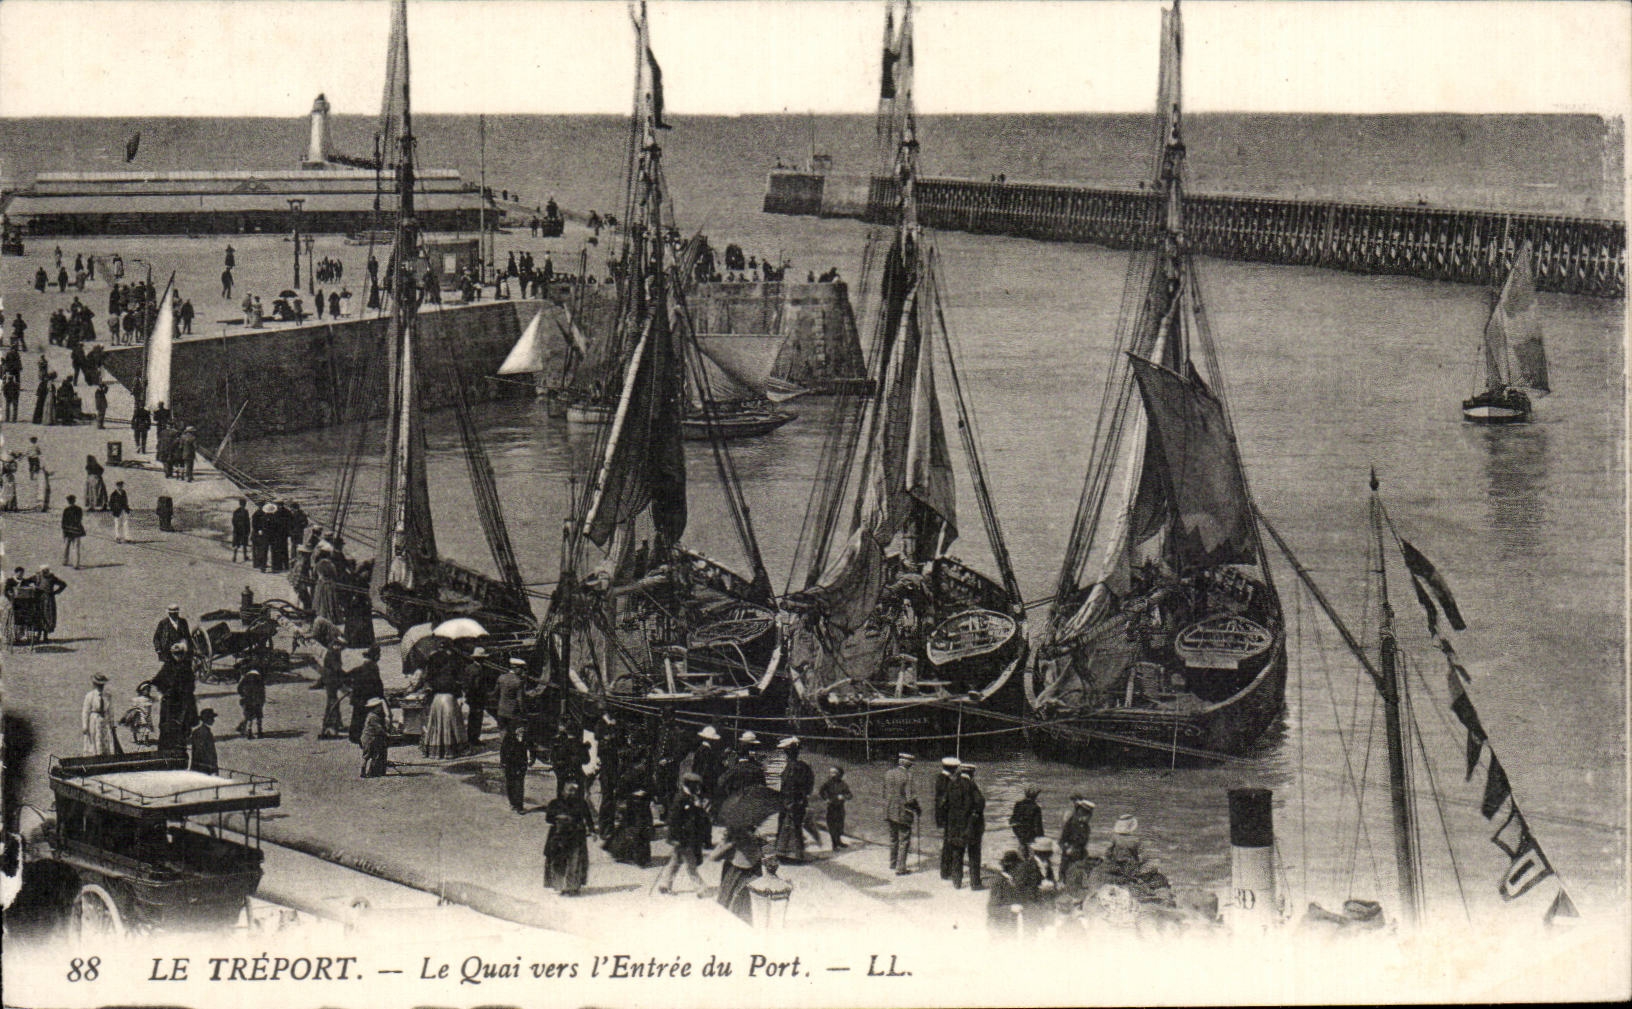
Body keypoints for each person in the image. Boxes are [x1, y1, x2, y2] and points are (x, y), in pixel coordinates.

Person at [657, 771, 711, 895]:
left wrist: (698, 807)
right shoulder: (680, 799)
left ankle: (665, 884)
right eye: (696, 786)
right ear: (689, 785)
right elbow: (673, 820)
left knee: (675, 862)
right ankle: (700, 888)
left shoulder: (690, 797)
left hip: (686, 837)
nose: (698, 789)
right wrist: (674, 837)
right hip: (682, 838)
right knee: (691, 864)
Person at [543, 780, 596, 896]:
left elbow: (588, 818)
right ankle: (559, 885)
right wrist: (559, 819)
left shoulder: (581, 803)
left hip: (576, 835)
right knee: (558, 860)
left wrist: (592, 831)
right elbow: (548, 818)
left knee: (574, 862)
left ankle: (573, 887)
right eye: (570, 790)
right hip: (558, 835)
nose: (573, 793)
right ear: (562, 791)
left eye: (575, 791)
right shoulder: (554, 803)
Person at [943, 763, 985, 889]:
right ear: (972, 773)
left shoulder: (951, 784)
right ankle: (975, 883)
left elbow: (944, 805)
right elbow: (980, 804)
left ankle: (957, 881)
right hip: (971, 827)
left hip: (955, 827)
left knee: (957, 854)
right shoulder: (972, 786)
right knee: (974, 855)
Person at [418, 648, 465, 757]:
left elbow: (428, 683)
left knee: (436, 725)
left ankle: (436, 751)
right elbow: (457, 684)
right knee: (451, 725)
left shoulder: (432, 673)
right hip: (449, 699)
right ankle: (452, 750)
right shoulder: (450, 669)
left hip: (437, 700)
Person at [774, 737, 814, 863]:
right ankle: (786, 854)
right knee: (788, 827)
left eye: (787, 752)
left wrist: (796, 801)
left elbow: (800, 786)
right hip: (788, 801)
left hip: (793, 801)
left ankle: (790, 856)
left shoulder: (796, 768)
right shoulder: (795, 766)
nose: (786, 755)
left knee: (791, 827)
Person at [712, 829, 764, 923]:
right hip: (748, 866)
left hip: (739, 867)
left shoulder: (735, 825)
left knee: (730, 900)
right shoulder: (755, 828)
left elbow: (715, 856)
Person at [154, 640, 196, 751]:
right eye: (175, 654)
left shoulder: (186, 669)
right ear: (172, 654)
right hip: (169, 703)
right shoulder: (168, 666)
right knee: (166, 727)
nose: (178, 656)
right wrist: (163, 690)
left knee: (182, 728)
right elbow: (158, 680)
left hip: (183, 702)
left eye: (180, 654)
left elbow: (190, 687)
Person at [883, 752, 920, 875]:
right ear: (908, 763)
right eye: (911, 763)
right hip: (903, 811)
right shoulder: (908, 776)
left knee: (893, 838)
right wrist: (917, 808)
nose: (912, 765)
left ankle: (893, 863)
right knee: (904, 839)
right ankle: (900, 868)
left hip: (889, 810)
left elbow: (885, 792)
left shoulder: (888, 773)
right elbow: (910, 798)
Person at [605, 789, 654, 868]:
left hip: (641, 799)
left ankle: (640, 858)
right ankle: (638, 858)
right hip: (632, 800)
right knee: (634, 828)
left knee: (639, 828)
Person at [347, 644, 385, 744]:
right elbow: (377, 682)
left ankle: (354, 735)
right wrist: (381, 695)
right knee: (362, 715)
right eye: (379, 655)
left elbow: (350, 674)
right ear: (376, 656)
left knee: (357, 715)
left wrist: (351, 685)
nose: (380, 657)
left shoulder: (365, 665)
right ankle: (359, 737)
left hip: (358, 694)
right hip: (364, 694)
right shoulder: (373, 666)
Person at [988, 851, 1028, 936]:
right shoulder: (998, 882)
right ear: (1011, 868)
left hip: (1011, 924)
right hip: (999, 928)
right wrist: (1010, 908)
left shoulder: (1013, 880)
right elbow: (992, 909)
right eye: (1019, 868)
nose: (1021, 871)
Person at [318, 635, 348, 739]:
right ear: (336, 645)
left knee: (334, 701)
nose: (341, 649)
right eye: (341, 646)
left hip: (331, 679)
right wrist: (346, 677)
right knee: (332, 701)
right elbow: (337, 669)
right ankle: (330, 725)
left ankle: (337, 723)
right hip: (331, 680)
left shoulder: (333, 652)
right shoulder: (332, 654)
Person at [1060, 795, 1097, 879]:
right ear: (1081, 814)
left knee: (1079, 874)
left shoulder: (1086, 827)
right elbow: (1062, 840)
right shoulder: (1071, 823)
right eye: (1088, 816)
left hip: (1080, 853)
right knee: (1065, 872)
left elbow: (1084, 841)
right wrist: (1067, 848)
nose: (1088, 819)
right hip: (1069, 854)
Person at [82, 673, 118, 755]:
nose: (100, 687)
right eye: (98, 685)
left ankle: (106, 754)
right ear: (95, 685)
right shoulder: (90, 696)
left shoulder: (107, 696)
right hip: (94, 719)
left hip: (105, 719)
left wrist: (112, 723)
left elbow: (110, 710)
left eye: (102, 685)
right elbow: (85, 711)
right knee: (95, 736)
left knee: (106, 738)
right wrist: (85, 725)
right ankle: (95, 754)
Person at [818, 766, 853, 849]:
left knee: (840, 825)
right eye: (831, 773)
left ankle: (839, 841)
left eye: (835, 773)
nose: (832, 775)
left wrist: (844, 796)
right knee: (832, 825)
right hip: (831, 807)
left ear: (839, 774)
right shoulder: (828, 783)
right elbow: (821, 791)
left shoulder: (843, 784)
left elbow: (850, 795)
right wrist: (826, 799)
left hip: (840, 807)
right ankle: (834, 844)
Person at [500, 723, 532, 813]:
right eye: (519, 729)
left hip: (521, 764)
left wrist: (532, 759)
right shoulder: (509, 737)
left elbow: (531, 747)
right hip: (510, 764)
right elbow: (503, 750)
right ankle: (513, 802)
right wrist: (503, 762)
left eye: (523, 729)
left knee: (519, 785)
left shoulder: (526, 737)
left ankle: (519, 806)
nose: (521, 731)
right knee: (510, 784)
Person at [358, 697, 391, 778]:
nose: (380, 709)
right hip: (370, 739)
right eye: (379, 707)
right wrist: (386, 734)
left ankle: (364, 770)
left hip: (367, 738)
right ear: (375, 707)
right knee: (373, 755)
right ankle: (371, 772)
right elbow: (379, 729)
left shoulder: (370, 715)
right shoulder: (374, 717)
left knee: (366, 756)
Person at [119, 681, 158, 746]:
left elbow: (156, 699)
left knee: (147, 729)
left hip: (147, 716)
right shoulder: (137, 699)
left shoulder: (149, 699)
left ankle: (146, 740)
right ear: (141, 691)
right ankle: (136, 739)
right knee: (135, 728)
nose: (147, 691)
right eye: (145, 690)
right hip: (139, 716)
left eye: (148, 690)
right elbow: (133, 706)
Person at [1009, 786, 1044, 857]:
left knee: (1022, 853)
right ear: (1035, 796)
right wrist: (1041, 838)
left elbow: (1012, 821)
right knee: (1032, 855)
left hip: (1020, 833)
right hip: (1031, 835)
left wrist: (1017, 833)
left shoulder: (1018, 804)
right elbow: (1038, 826)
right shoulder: (1036, 808)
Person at [236, 666, 265, 739]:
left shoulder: (245, 678)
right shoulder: (260, 678)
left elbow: (239, 688)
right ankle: (259, 732)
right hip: (257, 700)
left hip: (248, 699)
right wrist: (262, 700)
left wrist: (243, 694)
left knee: (249, 716)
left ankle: (249, 732)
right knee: (258, 715)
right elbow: (262, 691)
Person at [189, 709, 219, 774]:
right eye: (211, 718)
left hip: (203, 767)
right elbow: (200, 752)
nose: (213, 720)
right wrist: (212, 767)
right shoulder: (202, 732)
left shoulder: (203, 731)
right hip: (203, 768)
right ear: (207, 719)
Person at [60, 494, 85, 568]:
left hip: (68, 531)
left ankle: (65, 561)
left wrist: (64, 532)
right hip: (77, 531)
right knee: (76, 548)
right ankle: (76, 564)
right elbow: (80, 519)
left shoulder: (66, 510)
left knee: (66, 546)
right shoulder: (79, 509)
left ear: (68, 502)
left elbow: (63, 522)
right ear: (74, 501)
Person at [934, 755, 958, 834]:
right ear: (952, 768)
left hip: (942, 810)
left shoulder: (941, 777)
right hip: (946, 811)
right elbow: (946, 795)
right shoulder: (946, 779)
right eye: (955, 768)